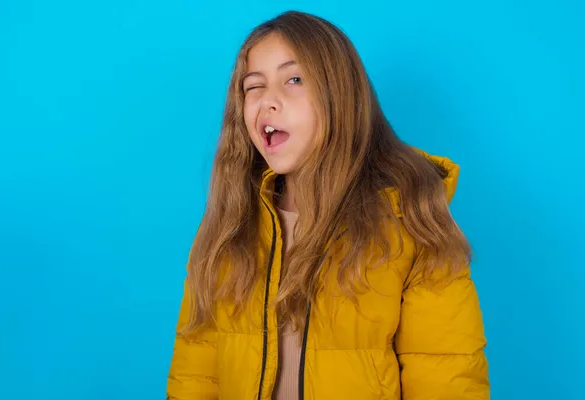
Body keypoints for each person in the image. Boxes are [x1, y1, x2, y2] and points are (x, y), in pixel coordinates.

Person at [166, 10, 489, 400]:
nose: (268, 100)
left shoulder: (411, 220)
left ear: (339, 93)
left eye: (294, 79)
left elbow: (445, 373)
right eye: (254, 86)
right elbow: (196, 369)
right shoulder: (231, 224)